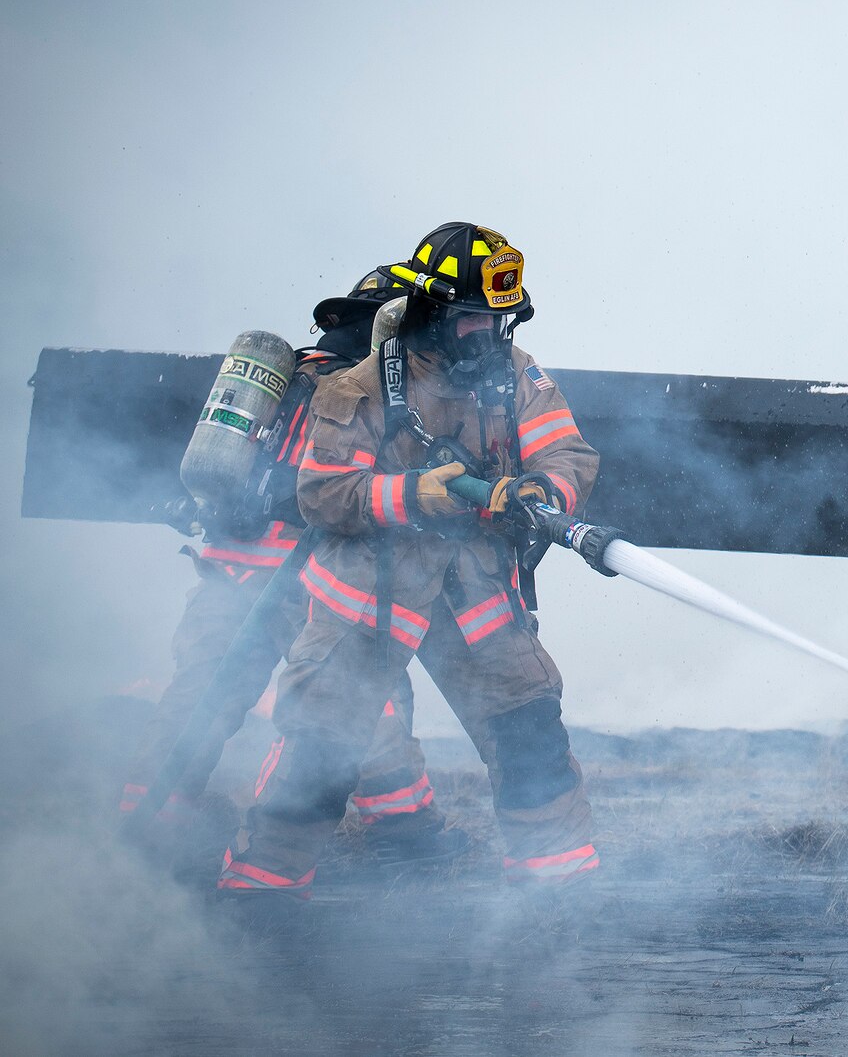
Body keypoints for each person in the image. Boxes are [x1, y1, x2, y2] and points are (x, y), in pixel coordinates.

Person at [221, 223, 599, 901]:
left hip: (475, 594)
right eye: (474, 320)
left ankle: (559, 898)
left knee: (529, 734)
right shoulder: (357, 389)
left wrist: (543, 491)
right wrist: (410, 495)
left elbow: (565, 451)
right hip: (367, 599)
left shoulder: (516, 376)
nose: (490, 334)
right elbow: (323, 494)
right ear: (433, 314)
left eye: (499, 320)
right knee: (319, 752)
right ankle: (259, 897)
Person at [122, 269, 461, 870]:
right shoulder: (380, 383)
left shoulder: (284, 372)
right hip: (307, 567)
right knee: (356, 692)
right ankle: (404, 829)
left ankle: (145, 822)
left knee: (200, 695)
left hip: (230, 563)